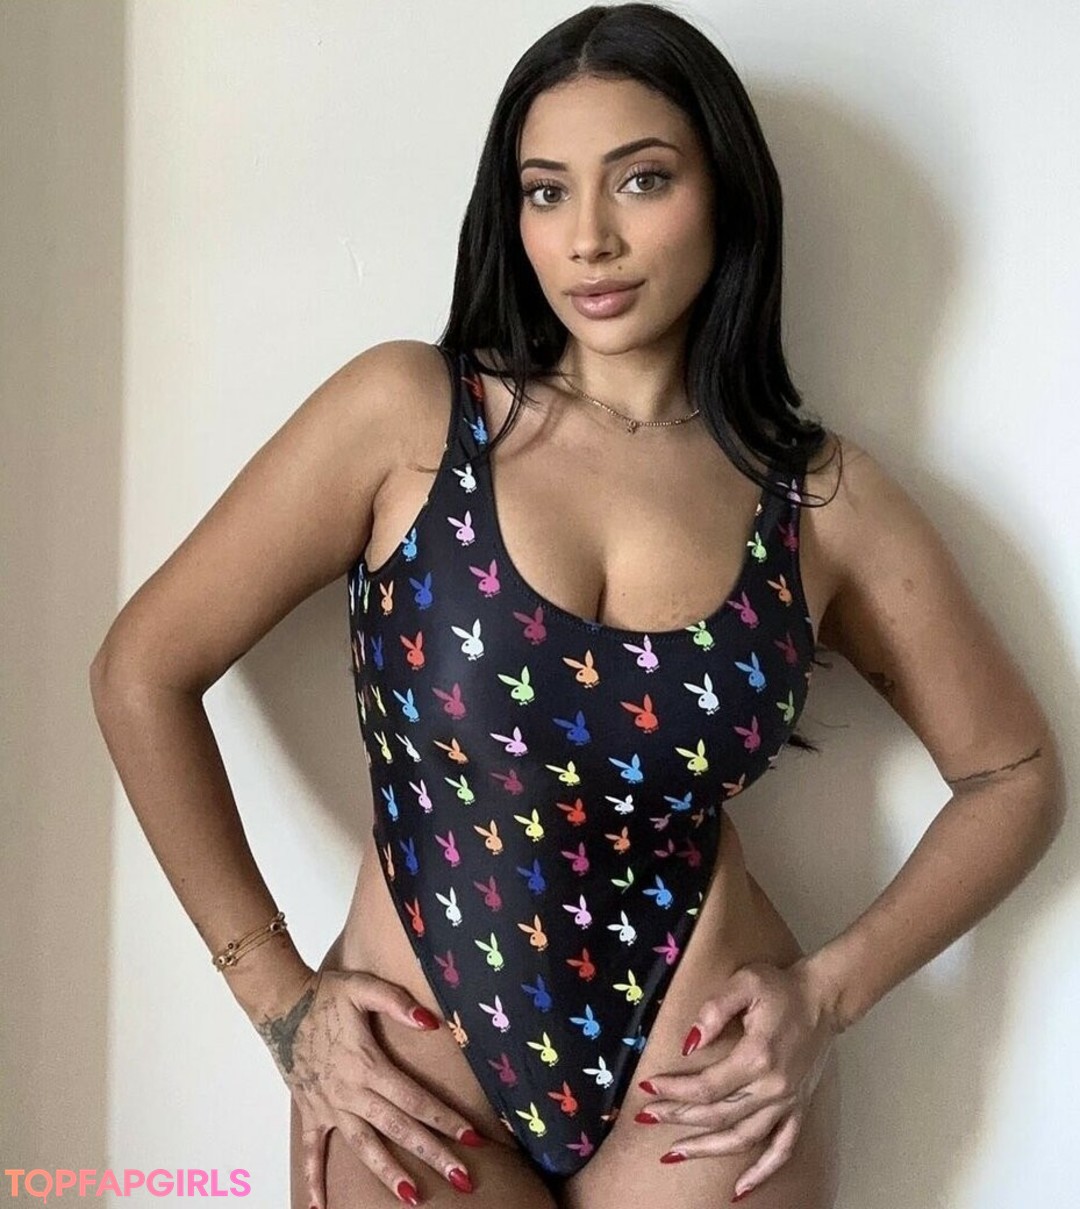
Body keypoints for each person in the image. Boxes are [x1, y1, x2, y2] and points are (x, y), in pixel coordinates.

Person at [89, 5, 1064, 1208]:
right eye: (546, 192)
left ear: (726, 193)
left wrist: (830, 993)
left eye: (642, 180)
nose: (590, 239)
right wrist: (277, 999)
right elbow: (141, 668)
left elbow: (1015, 773)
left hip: (701, 1080)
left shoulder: (819, 501)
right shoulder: (408, 418)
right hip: (414, 1070)